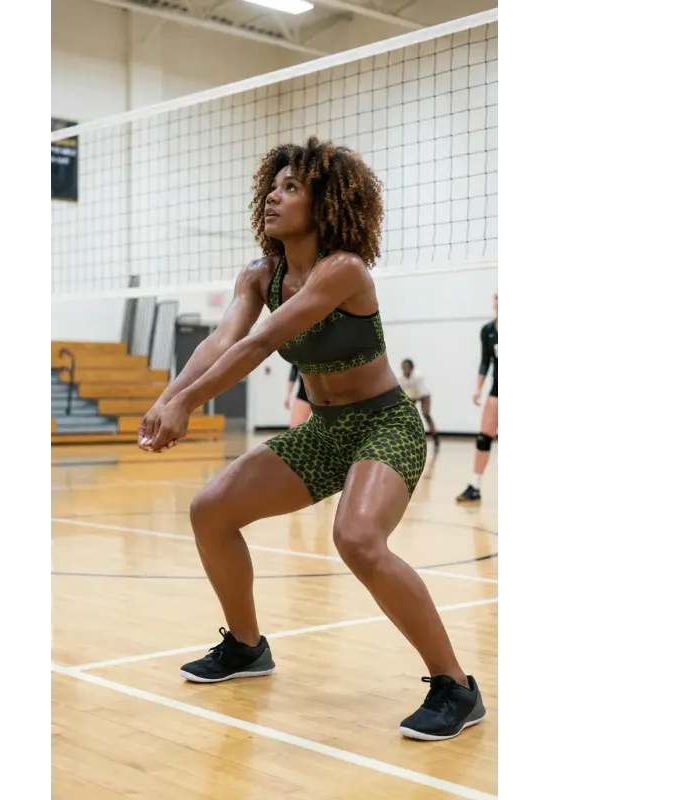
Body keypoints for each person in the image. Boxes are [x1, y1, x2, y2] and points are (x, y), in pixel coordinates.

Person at [138, 137, 485, 741]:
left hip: (384, 423)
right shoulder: (261, 275)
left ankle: (456, 685)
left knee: (357, 537)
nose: (274, 194)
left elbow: (258, 345)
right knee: (210, 511)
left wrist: (187, 404)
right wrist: (168, 397)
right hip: (324, 430)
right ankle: (247, 647)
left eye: (292, 187)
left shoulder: (342, 270)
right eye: (272, 185)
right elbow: (221, 342)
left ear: (324, 204)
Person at [456, 292, 499, 504]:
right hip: (498, 390)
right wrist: (478, 389)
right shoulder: (488, 331)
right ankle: (474, 486)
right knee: (484, 437)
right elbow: (485, 361)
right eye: (497, 297)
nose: (498, 301)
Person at [399, 359, 440, 454]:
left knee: (426, 414)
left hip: (423, 395)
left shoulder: (418, 376)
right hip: (411, 395)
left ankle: (435, 437)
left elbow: (419, 392)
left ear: (411, 368)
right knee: (407, 416)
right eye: (404, 368)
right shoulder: (400, 378)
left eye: (408, 367)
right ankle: (409, 439)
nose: (406, 370)